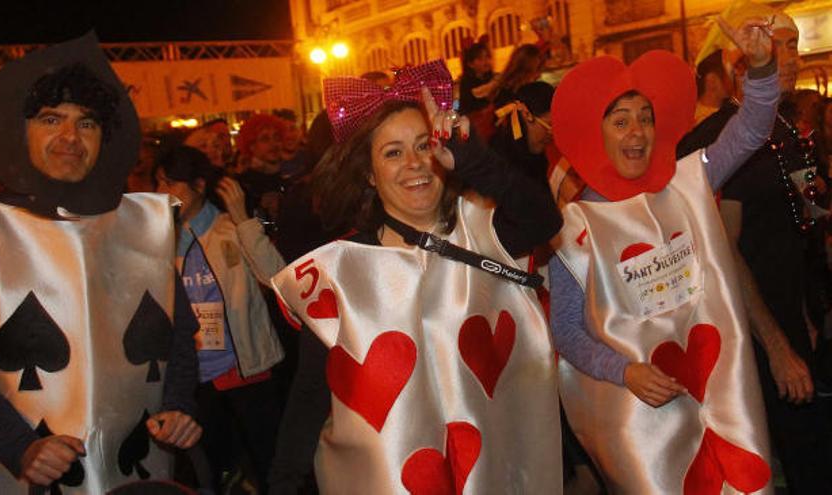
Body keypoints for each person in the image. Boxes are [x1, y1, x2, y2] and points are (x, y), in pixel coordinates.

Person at [268, 61, 563, 494]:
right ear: (369, 174)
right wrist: (283, 482)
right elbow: (312, 391)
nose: (415, 164)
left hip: (492, 474)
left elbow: (543, 220)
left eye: (424, 146)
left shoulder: (483, 233)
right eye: (393, 152)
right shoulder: (341, 273)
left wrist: (476, 160)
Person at [0, 33, 201, 493]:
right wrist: (20, 447)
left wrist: (181, 406)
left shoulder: (144, 225)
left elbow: (180, 336)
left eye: (86, 123)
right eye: (51, 119)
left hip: (139, 473)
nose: (70, 137)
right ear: (20, 130)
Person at [548, 17, 778, 493]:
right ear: (598, 133)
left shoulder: (689, 183)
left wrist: (760, 67)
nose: (637, 131)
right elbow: (566, 331)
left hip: (716, 386)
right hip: (640, 415)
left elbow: (752, 130)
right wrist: (624, 371)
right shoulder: (573, 228)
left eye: (646, 118)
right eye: (621, 120)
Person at [679, 7, 832, 493]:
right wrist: (777, 346)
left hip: (802, 318)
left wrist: (815, 304)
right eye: (779, 45)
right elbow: (723, 252)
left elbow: (809, 217)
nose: (790, 57)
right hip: (755, 337)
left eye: (793, 46)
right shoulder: (722, 141)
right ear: (740, 64)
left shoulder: (789, 131)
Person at [155, 145, 286, 493]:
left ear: (199, 185)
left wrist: (245, 219)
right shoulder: (159, 238)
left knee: (269, 462)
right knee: (206, 469)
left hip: (246, 369)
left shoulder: (232, 228)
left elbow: (278, 279)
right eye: (158, 184)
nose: (162, 194)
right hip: (195, 377)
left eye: (171, 184)